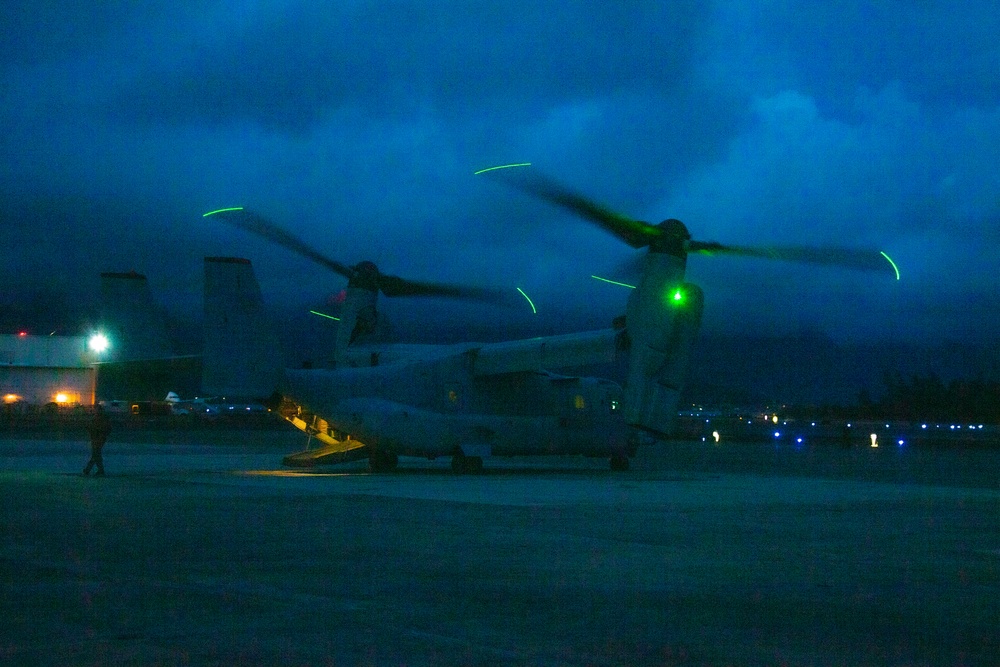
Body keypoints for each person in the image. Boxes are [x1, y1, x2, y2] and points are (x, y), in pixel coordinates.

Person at [83, 404, 112, 476]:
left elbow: (96, 428)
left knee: (96, 454)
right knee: (96, 454)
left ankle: (89, 469)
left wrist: (89, 428)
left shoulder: (99, 418)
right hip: (98, 438)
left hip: (97, 438)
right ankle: (97, 470)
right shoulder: (101, 418)